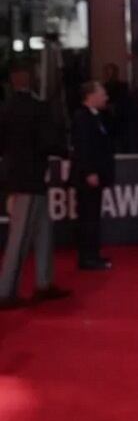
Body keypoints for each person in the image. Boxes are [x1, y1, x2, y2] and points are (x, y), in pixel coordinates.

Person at [0, 61, 70, 308]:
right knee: (20, 239)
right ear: (26, 78)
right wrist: (65, 151)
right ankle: (6, 291)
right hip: (31, 181)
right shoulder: (37, 108)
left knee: (42, 233)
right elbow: (47, 142)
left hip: (19, 179)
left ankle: (44, 282)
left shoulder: (6, 108)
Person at [70, 80, 114, 270]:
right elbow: (83, 147)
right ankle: (87, 257)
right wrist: (90, 171)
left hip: (95, 176)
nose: (106, 97)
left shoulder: (96, 116)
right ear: (91, 95)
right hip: (87, 177)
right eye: (102, 93)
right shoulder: (82, 117)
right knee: (87, 217)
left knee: (93, 217)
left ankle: (93, 254)